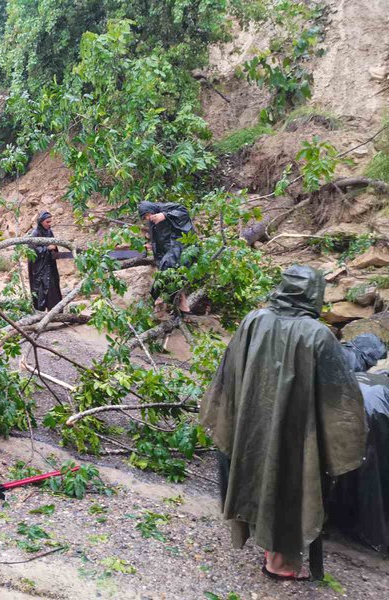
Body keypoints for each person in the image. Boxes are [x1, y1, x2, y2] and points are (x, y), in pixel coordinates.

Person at [200, 265, 366, 581]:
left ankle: (270, 552)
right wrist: (343, 444)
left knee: (263, 479)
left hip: (252, 427)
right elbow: (340, 398)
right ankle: (281, 565)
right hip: (297, 432)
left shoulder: (253, 321)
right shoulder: (318, 335)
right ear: (313, 295)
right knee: (292, 486)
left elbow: (229, 373)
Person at [327, 334, 389, 553]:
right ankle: (367, 528)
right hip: (369, 421)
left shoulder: (358, 374)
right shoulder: (366, 375)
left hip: (344, 415)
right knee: (368, 473)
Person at [137, 201, 195, 313]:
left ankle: (160, 297)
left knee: (169, 268)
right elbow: (157, 238)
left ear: (152, 209)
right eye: (145, 217)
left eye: (148, 214)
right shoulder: (152, 221)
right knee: (169, 271)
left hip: (180, 243)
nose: (148, 218)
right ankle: (180, 304)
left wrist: (165, 215)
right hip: (168, 249)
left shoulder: (164, 208)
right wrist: (151, 246)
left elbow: (183, 211)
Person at [27, 211, 63, 311]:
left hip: (50, 266)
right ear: (41, 222)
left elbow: (53, 247)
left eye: (50, 222)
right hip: (39, 269)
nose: (49, 224)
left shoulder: (49, 232)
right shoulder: (35, 233)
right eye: (47, 222)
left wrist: (54, 249)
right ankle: (40, 312)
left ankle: (55, 311)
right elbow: (31, 252)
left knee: (53, 287)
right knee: (41, 290)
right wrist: (46, 249)